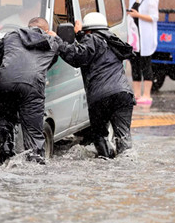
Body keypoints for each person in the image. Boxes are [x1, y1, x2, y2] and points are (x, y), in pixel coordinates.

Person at [55, 12, 136, 158]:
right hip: (123, 94)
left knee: (99, 135)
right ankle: (125, 166)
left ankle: (105, 162)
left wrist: (57, 42)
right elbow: (91, 47)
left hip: (101, 96)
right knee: (123, 136)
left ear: (89, 31)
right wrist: (80, 34)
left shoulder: (92, 39)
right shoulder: (113, 41)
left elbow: (76, 56)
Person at [0, 17, 60, 166]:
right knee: (33, 131)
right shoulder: (52, 41)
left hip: (5, 82)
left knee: (6, 120)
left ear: (27, 27)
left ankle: (4, 159)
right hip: (32, 84)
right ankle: (34, 169)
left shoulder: (10, 36)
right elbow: (51, 61)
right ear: (47, 30)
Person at [127, 0, 159, 105]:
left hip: (145, 37)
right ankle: (136, 94)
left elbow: (154, 17)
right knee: (135, 64)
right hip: (135, 37)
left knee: (146, 65)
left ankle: (147, 95)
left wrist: (137, 15)